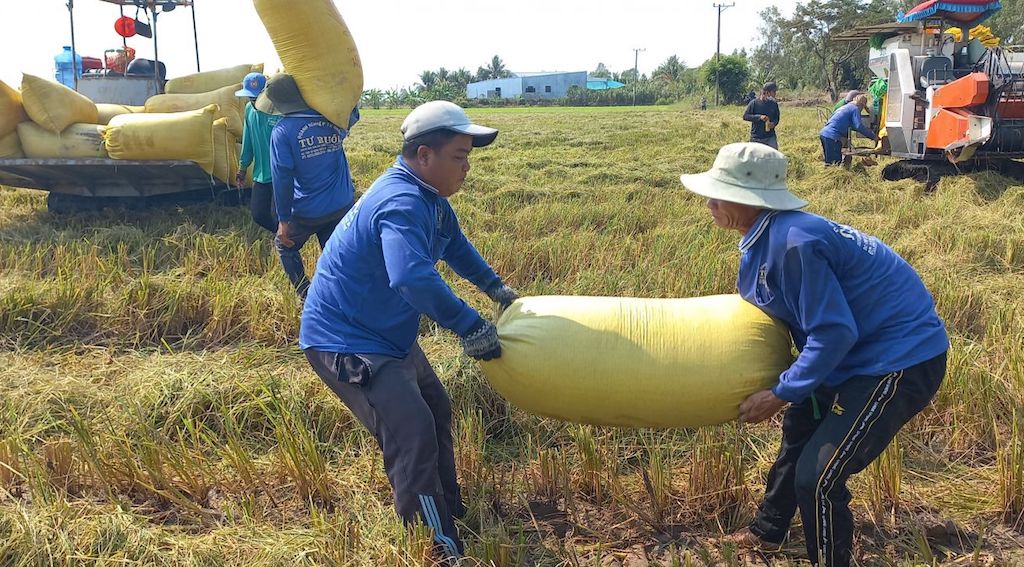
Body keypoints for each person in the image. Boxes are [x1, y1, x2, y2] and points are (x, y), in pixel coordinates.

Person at [680, 143, 949, 567]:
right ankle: (768, 533)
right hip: (846, 354)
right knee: (797, 439)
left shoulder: (793, 243)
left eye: (720, 193)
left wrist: (781, 392)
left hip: (895, 360)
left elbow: (835, 331)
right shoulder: (763, 238)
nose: (709, 202)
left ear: (754, 200)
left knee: (819, 477)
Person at [300, 100, 519, 563]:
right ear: (424, 155)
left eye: (468, 158)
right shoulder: (401, 201)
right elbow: (411, 278)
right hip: (347, 340)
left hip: (387, 332)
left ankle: (448, 511)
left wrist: (495, 288)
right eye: (459, 157)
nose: (466, 169)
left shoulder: (430, 200)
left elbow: (455, 246)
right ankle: (438, 548)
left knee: (437, 407)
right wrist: (469, 324)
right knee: (413, 434)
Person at [256, 73, 360, 298]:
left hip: (307, 211)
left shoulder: (282, 132)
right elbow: (352, 114)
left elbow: (282, 177)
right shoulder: (331, 118)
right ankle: (345, 296)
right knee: (337, 254)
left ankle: (306, 295)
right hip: (342, 205)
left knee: (284, 245)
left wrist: (283, 221)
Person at [235, 72, 280, 234]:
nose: (253, 101)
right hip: (261, 174)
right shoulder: (249, 110)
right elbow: (248, 141)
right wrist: (242, 167)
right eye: (250, 97)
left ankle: (286, 245)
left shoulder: (278, 111)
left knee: (279, 215)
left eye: (257, 97)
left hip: (281, 174)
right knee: (259, 214)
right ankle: (286, 238)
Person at [820, 94, 876, 166]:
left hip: (824, 133)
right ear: (861, 105)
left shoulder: (844, 107)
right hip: (833, 136)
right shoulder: (855, 109)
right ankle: (834, 176)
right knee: (835, 163)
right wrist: (873, 137)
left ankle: (828, 175)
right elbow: (858, 126)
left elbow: (852, 125)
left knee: (829, 161)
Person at [742, 82, 780, 149]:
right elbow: (745, 116)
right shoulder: (754, 103)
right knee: (755, 158)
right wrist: (759, 117)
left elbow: (776, 117)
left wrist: (773, 123)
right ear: (766, 92)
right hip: (756, 138)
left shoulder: (773, 103)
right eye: (773, 91)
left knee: (773, 158)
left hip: (770, 137)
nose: (775, 94)